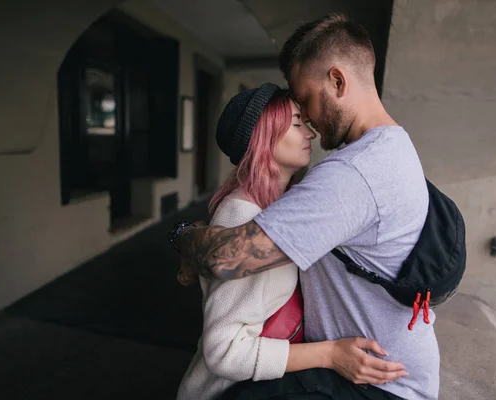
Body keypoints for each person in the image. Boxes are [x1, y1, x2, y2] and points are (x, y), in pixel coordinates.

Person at [172, 13, 440, 400]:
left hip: (378, 384)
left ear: (337, 81)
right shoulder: (391, 149)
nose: (310, 124)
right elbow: (225, 335)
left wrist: (183, 236)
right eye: (296, 117)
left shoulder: (353, 173)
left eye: (305, 102)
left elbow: (224, 258)